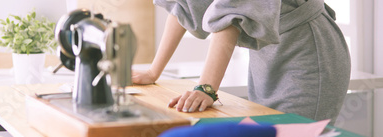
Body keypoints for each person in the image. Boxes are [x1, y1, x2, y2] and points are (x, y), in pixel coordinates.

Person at [132, 0, 351, 122]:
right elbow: (184, 6)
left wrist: (206, 89)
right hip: (266, 56)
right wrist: (154, 71)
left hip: (308, 54)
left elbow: (230, 18)